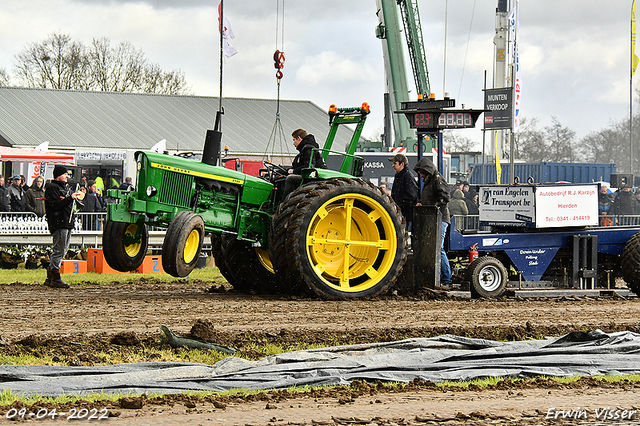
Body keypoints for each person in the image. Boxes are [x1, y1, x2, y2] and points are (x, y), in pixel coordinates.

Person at [414, 157, 452, 285]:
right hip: (433, 218)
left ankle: (447, 279)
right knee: (433, 248)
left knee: (438, 248)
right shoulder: (429, 180)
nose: (420, 174)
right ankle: (439, 277)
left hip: (440, 218)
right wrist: (421, 203)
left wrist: (432, 207)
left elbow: (445, 197)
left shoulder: (437, 179)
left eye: (421, 172)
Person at [44, 165, 80, 289]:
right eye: (65, 174)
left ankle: (50, 277)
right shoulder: (52, 188)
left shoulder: (64, 188)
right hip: (59, 222)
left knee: (63, 249)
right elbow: (55, 205)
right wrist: (69, 198)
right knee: (59, 250)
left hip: (66, 222)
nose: (67, 176)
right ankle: (55, 277)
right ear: (58, 176)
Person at [283, 128, 326, 198]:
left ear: (299, 138)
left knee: (290, 178)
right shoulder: (303, 151)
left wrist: (293, 171)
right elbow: (296, 167)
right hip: (309, 176)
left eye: (294, 140)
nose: (293, 143)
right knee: (281, 179)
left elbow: (308, 167)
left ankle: (284, 203)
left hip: (314, 178)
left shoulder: (308, 149)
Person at [388, 153, 418, 230]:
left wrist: (398, 203)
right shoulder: (399, 176)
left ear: (402, 164)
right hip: (402, 214)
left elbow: (412, 196)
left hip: (406, 215)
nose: (393, 166)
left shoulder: (407, 176)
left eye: (395, 163)